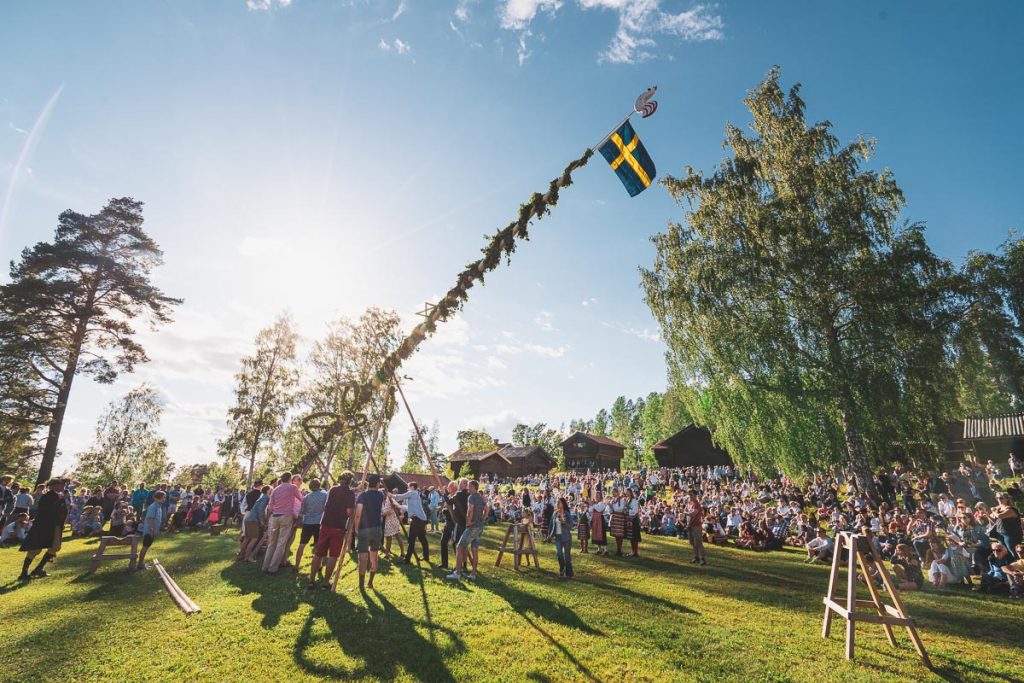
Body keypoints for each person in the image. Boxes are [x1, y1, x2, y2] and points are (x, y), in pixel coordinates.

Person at [309, 471, 355, 590]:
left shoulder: (333, 490)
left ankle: (311, 580)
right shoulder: (350, 494)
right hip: (338, 526)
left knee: (319, 553)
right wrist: (354, 515)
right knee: (333, 555)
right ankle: (325, 582)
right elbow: (349, 512)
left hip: (325, 524)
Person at [18, 479, 67, 581]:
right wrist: (61, 500)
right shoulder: (48, 497)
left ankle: (38, 569)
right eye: (61, 484)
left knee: (55, 547)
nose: (63, 486)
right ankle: (24, 573)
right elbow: (49, 511)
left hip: (55, 526)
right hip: (44, 526)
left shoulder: (58, 496)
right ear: (54, 485)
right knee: (35, 549)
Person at [262, 472, 304, 574]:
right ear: (290, 479)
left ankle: (265, 566)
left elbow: (271, 506)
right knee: (281, 543)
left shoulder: (275, 489)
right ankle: (272, 568)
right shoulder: (293, 488)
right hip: (286, 517)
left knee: (272, 543)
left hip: (275, 516)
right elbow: (302, 499)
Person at [447, 479, 487, 581]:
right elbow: (487, 509)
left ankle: (457, 573)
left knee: (459, 547)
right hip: (479, 527)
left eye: (469, 486)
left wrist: (468, 522)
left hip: (472, 527)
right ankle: (473, 574)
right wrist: (483, 518)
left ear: (473, 487)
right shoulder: (480, 497)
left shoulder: (472, 497)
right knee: (474, 550)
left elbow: (470, 510)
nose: (468, 488)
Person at [353, 474, 385, 590]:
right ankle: (370, 582)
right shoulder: (380, 495)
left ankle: (361, 585)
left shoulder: (363, 496)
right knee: (374, 556)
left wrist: (356, 528)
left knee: (362, 558)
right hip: (377, 528)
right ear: (377, 483)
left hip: (364, 528)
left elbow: (358, 514)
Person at [294, 478, 327, 573]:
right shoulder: (324, 495)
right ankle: (319, 565)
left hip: (308, 523)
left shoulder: (306, 497)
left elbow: (301, 512)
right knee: (318, 545)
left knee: (302, 544)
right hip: (319, 522)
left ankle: (296, 566)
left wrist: (297, 523)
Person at [394, 481, 430, 564]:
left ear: (413, 487)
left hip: (418, 520)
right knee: (419, 539)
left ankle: (408, 559)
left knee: (413, 539)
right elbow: (408, 507)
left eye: (408, 486)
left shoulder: (413, 493)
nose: (407, 488)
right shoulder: (414, 496)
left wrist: (391, 495)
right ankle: (423, 557)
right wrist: (395, 501)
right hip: (418, 520)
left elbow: (401, 496)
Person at [239, 485, 270, 562]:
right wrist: (262, 520)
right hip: (253, 520)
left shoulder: (261, 497)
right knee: (254, 539)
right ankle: (247, 557)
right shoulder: (266, 497)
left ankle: (242, 555)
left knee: (247, 538)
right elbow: (260, 509)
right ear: (268, 490)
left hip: (248, 518)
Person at [136, 491, 166, 570]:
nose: (164, 499)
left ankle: (141, 563)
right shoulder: (153, 506)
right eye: (163, 498)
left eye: (164, 498)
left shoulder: (159, 506)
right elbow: (150, 519)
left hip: (152, 530)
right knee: (145, 547)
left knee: (146, 546)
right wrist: (152, 530)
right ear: (157, 498)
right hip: (149, 531)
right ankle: (140, 564)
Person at [548, 497, 574, 579]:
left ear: (563, 504)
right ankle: (562, 568)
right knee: (559, 554)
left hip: (567, 537)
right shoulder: (555, 513)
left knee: (567, 556)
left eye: (559, 502)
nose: (557, 504)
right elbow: (552, 526)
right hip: (558, 537)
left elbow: (571, 526)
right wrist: (550, 535)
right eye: (557, 502)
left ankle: (569, 573)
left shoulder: (567, 513)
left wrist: (564, 522)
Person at [682, 489, 706, 565]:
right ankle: (696, 557)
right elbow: (686, 510)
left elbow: (693, 514)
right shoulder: (689, 503)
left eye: (691, 495)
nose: (690, 496)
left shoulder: (697, 504)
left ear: (695, 495)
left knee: (698, 542)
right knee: (693, 543)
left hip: (696, 526)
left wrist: (685, 512)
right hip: (690, 525)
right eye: (689, 495)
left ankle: (702, 558)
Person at [439, 481, 458, 569]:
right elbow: (446, 507)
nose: (448, 488)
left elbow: (452, 507)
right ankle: (444, 563)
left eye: (449, 487)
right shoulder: (449, 496)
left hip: (454, 523)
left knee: (455, 544)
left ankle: (460, 565)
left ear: (454, 488)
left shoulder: (456, 496)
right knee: (443, 542)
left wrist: (444, 495)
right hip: (448, 523)